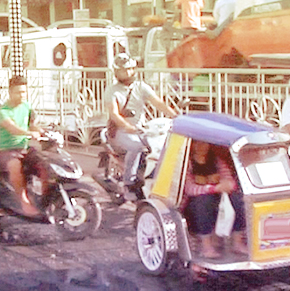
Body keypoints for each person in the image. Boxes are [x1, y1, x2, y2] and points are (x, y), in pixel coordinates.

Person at [104, 53, 177, 195]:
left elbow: (157, 102)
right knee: (136, 147)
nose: (128, 73)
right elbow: (114, 113)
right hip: (120, 131)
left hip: (141, 129)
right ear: (116, 72)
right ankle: (128, 182)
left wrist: (175, 115)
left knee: (162, 146)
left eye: (130, 69)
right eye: (123, 70)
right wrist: (127, 127)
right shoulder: (112, 90)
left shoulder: (141, 86)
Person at [183, 141, 247, 258]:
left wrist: (228, 185)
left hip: (218, 202)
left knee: (237, 199)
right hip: (193, 206)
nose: (201, 146)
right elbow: (190, 189)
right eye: (197, 144)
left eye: (204, 144)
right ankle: (206, 246)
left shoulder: (217, 161)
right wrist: (213, 188)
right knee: (202, 202)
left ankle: (237, 242)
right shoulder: (187, 163)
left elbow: (229, 180)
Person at [0, 75, 46, 218]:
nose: (22, 95)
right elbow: (13, 128)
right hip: (8, 150)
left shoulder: (26, 105)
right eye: (18, 92)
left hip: (25, 148)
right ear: (10, 92)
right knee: (15, 166)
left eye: (24, 92)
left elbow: (32, 123)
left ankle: (46, 198)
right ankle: (24, 202)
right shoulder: (3, 111)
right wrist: (30, 133)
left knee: (46, 164)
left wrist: (41, 130)